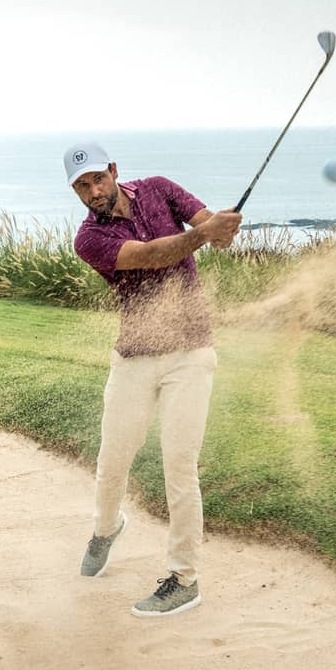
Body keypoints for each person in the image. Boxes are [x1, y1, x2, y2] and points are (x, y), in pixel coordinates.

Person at [65, 141, 241, 617]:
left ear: (114, 171)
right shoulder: (88, 239)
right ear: (75, 191)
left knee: (179, 464)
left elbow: (208, 225)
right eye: (82, 186)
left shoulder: (159, 190)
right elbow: (150, 255)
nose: (93, 190)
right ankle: (106, 529)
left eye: (98, 178)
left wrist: (220, 228)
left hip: (191, 353)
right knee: (113, 458)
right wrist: (204, 235)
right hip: (136, 357)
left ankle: (184, 579)